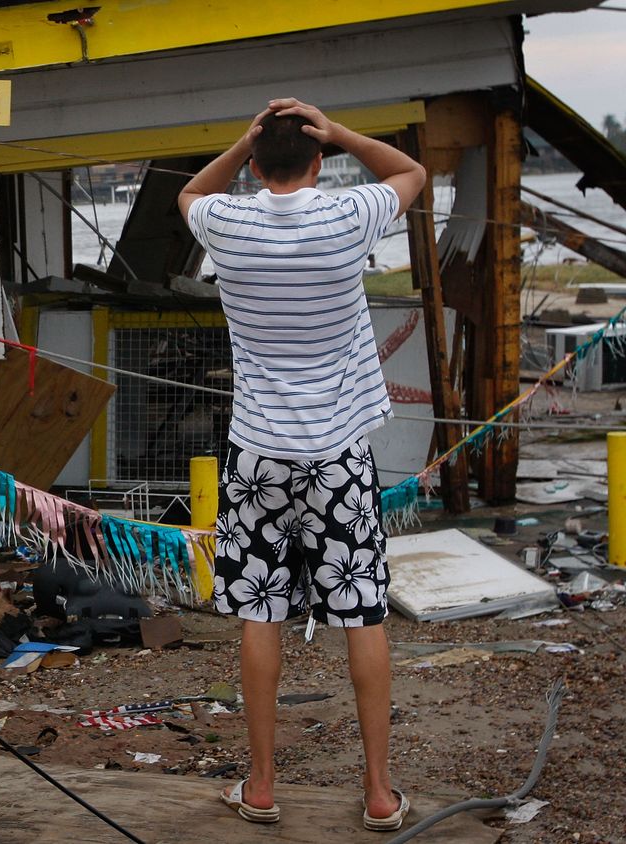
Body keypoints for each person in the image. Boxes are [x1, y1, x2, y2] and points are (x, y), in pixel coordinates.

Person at [177, 98, 425, 831]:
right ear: (319, 160)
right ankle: (380, 792)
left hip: (257, 451)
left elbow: (188, 193)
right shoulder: (351, 216)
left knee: (260, 610)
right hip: (339, 453)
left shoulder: (228, 220)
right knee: (362, 611)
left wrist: (240, 139)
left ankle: (261, 785)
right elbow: (410, 170)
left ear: (255, 166)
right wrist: (341, 130)